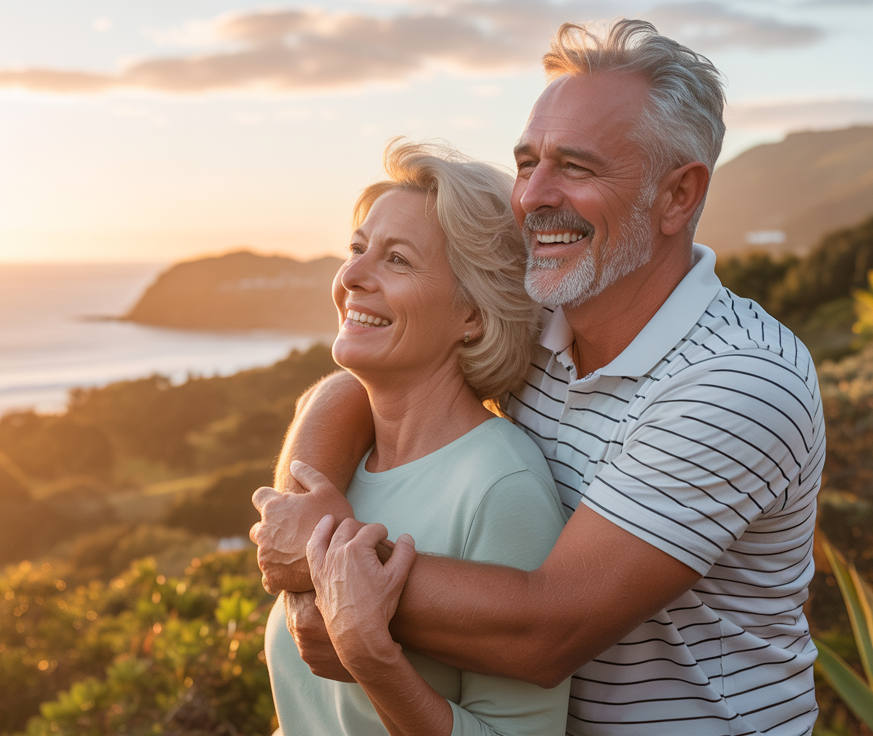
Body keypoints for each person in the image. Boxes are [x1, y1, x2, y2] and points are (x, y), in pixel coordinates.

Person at [252, 18, 826, 736]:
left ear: (679, 196)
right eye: (528, 163)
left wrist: (319, 554)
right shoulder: (546, 325)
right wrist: (302, 501)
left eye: (576, 168)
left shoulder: (737, 382)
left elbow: (546, 630)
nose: (533, 197)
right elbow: (363, 386)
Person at [262, 140, 571, 735]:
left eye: (397, 260)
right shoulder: (339, 468)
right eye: (356, 250)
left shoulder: (499, 487)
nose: (352, 276)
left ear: (473, 315)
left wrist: (374, 661)